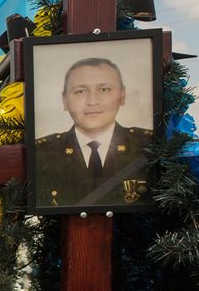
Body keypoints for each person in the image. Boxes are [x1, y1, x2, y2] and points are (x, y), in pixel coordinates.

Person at [33, 56, 152, 209]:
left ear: (122, 95)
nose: (92, 101)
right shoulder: (41, 152)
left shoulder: (149, 145)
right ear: (64, 100)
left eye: (104, 89)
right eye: (80, 91)